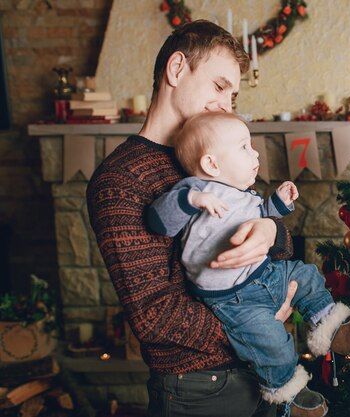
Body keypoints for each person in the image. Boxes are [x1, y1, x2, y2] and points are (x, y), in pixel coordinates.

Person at [87, 21, 298, 417]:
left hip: (260, 370)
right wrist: (260, 327)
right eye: (219, 87)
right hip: (199, 388)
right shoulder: (121, 179)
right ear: (176, 69)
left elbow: (276, 236)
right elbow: (154, 315)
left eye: (232, 96)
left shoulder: (215, 150)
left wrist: (271, 231)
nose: (226, 105)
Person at [147, 112, 350, 417]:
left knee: (306, 274)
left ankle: (331, 326)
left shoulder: (243, 194)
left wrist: (277, 204)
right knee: (273, 343)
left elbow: (259, 218)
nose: (255, 153)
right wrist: (193, 200)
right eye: (244, 147)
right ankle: (290, 394)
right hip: (234, 300)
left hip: (268, 274)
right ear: (212, 164)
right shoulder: (194, 191)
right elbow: (158, 221)